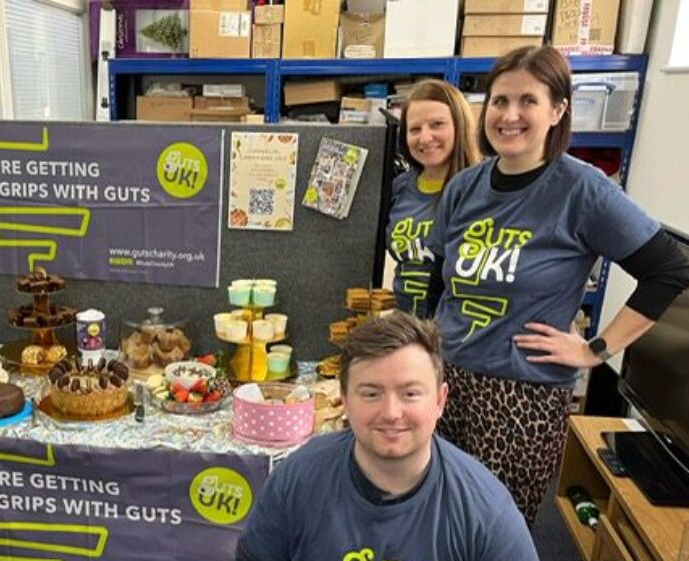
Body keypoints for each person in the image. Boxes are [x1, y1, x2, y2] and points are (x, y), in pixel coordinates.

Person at [425, 46, 689, 525]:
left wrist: (595, 350)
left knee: (493, 529)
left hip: (520, 396)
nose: (509, 115)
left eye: (527, 101)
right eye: (500, 101)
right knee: (436, 515)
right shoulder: (465, 186)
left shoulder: (582, 191)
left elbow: (668, 269)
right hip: (446, 383)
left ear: (558, 109)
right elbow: (437, 272)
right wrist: (424, 347)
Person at [236, 312, 538, 561]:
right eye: (371, 393)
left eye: (410, 393)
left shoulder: (486, 512)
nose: (392, 412)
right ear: (344, 400)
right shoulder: (296, 480)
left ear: (440, 401)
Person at [387, 79, 481, 316]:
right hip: (406, 330)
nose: (425, 137)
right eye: (415, 129)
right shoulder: (399, 188)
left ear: (459, 126)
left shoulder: (481, 189)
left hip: (457, 334)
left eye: (437, 124)